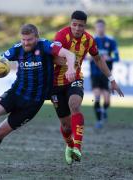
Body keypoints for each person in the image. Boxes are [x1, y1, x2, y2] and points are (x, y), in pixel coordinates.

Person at [0, 24, 76, 167]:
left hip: (32, 104)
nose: (25, 43)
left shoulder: (46, 46)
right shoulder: (17, 48)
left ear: (36, 37)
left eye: (29, 40)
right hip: (15, 94)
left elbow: (69, 54)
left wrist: (71, 69)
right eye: (23, 39)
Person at [51, 10, 124, 165]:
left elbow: (98, 59)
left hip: (75, 79)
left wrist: (112, 80)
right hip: (56, 83)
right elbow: (54, 57)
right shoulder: (61, 36)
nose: (77, 29)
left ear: (85, 26)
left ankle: (77, 147)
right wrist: (69, 63)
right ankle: (69, 146)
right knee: (65, 125)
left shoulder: (89, 40)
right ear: (70, 23)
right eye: (74, 25)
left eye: (81, 26)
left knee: (75, 105)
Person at [90, 19, 120, 129]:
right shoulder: (91, 40)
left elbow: (117, 58)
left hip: (106, 74)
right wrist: (90, 57)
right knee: (97, 96)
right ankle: (99, 121)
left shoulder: (111, 40)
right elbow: (84, 56)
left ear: (104, 27)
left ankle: (104, 110)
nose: (100, 29)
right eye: (98, 27)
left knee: (107, 99)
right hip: (95, 73)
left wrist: (109, 58)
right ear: (95, 28)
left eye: (102, 27)